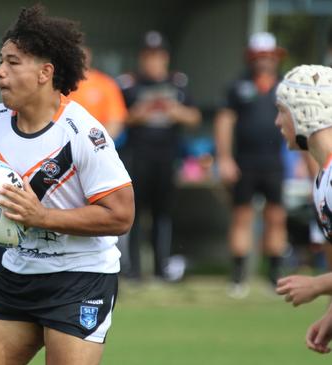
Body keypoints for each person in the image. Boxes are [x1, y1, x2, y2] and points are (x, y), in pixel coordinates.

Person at [0, 5, 134, 365]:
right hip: (19, 274)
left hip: (81, 279)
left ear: (45, 72)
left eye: (13, 62)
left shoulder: (84, 133)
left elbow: (121, 216)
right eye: (1, 60)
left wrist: (42, 217)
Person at [117, 30, 201, 282]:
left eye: (158, 55)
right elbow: (116, 119)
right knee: (135, 213)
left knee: (162, 213)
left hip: (166, 156)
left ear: (165, 57)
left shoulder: (178, 83)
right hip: (137, 156)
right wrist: (137, 114)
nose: (153, 61)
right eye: (148, 55)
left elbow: (195, 117)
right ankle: (133, 269)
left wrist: (176, 111)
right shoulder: (129, 84)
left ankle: (161, 267)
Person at [214, 32, 287, 298]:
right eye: (260, 57)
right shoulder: (238, 86)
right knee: (242, 216)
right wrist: (224, 158)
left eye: (268, 56)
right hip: (245, 162)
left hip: (275, 162)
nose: (264, 61)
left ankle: (274, 274)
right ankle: (238, 276)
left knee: (276, 217)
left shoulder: (285, 85)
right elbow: (224, 122)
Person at [273, 64, 332, 354]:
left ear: (305, 111)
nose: (277, 122)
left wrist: (318, 284)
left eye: (282, 111)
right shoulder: (323, 177)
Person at [69, 45, 127, 138]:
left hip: (96, 141)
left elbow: (115, 121)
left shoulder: (105, 84)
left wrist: (96, 144)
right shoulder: (57, 85)